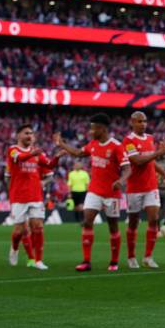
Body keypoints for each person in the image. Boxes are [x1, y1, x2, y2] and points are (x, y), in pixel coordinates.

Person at [54, 113, 131, 272]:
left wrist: (121, 181)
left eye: (93, 128)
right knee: (87, 221)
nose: (90, 131)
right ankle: (86, 261)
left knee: (113, 227)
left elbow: (127, 169)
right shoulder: (93, 144)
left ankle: (114, 261)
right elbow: (78, 153)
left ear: (102, 129)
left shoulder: (116, 146)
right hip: (94, 191)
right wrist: (62, 144)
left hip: (111, 193)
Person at [122, 111, 165, 269]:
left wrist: (163, 173)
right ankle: (131, 257)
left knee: (153, 219)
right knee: (133, 222)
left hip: (151, 186)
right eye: (139, 121)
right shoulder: (128, 140)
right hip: (135, 188)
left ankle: (148, 256)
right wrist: (158, 153)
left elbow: (150, 162)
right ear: (132, 122)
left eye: (144, 121)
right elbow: (137, 161)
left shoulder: (150, 138)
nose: (143, 124)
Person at [6, 124, 60, 270]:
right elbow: (19, 159)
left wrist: (58, 156)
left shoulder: (37, 154)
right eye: (26, 133)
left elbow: (50, 165)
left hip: (35, 196)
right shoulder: (13, 150)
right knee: (19, 231)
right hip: (18, 196)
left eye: (31, 133)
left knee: (38, 227)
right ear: (18, 136)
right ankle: (15, 247)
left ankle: (38, 260)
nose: (29, 136)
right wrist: (33, 153)